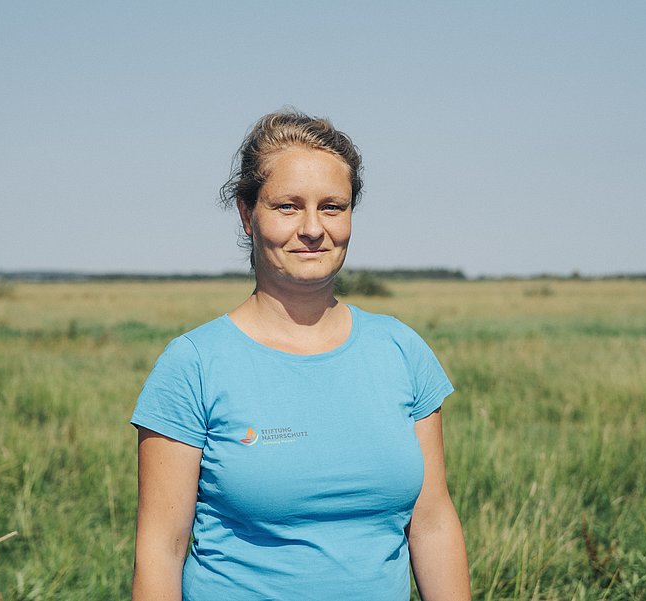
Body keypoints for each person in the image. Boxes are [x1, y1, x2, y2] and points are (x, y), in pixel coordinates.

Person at [131, 109, 471, 600]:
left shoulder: (402, 350)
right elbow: (162, 548)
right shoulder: (194, 365)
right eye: (288, 206)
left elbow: (433, 524)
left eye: (333, 206)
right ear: (248, 215)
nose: (313, 228)